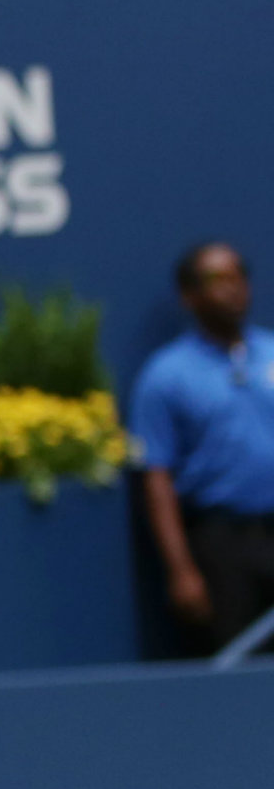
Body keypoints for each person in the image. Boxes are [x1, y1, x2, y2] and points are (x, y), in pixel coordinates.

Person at [136, 242, 274, 654]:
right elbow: (156, 477)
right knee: (237, 661)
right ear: (189, 296)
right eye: (218, 279)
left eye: (238, 276)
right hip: (223, 544)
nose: (233, 288)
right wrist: (182, 571)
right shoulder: (165, 375)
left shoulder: (271, 350)